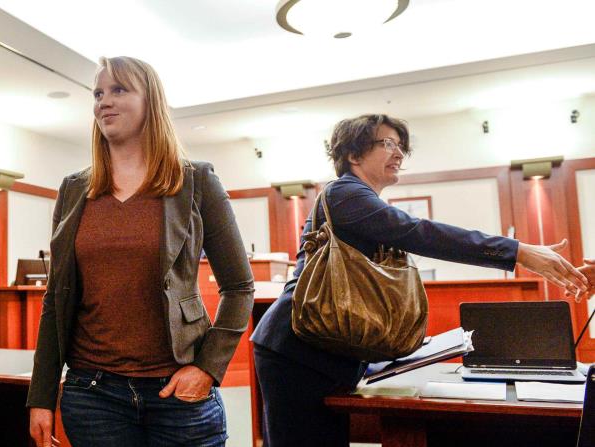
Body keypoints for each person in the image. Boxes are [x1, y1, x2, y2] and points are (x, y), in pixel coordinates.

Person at [250, 114, 590, 447]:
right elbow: (420, 232)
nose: (399, 153)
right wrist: (518, 251)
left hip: (324, 347)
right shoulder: (344, 193)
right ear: (353, 154)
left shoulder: (358, 199)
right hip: (297, 348)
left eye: (401, 146)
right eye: (388, 144)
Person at [26, 56, 254, 447]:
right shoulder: (73, 189)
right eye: (98, 93)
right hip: (93, 394)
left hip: (178, 393)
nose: (104, 101)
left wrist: (208, 368)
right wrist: (41, 396)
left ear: (151, 101)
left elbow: (239, 287)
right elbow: (56, 300)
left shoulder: (196, 181)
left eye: (119, 89)